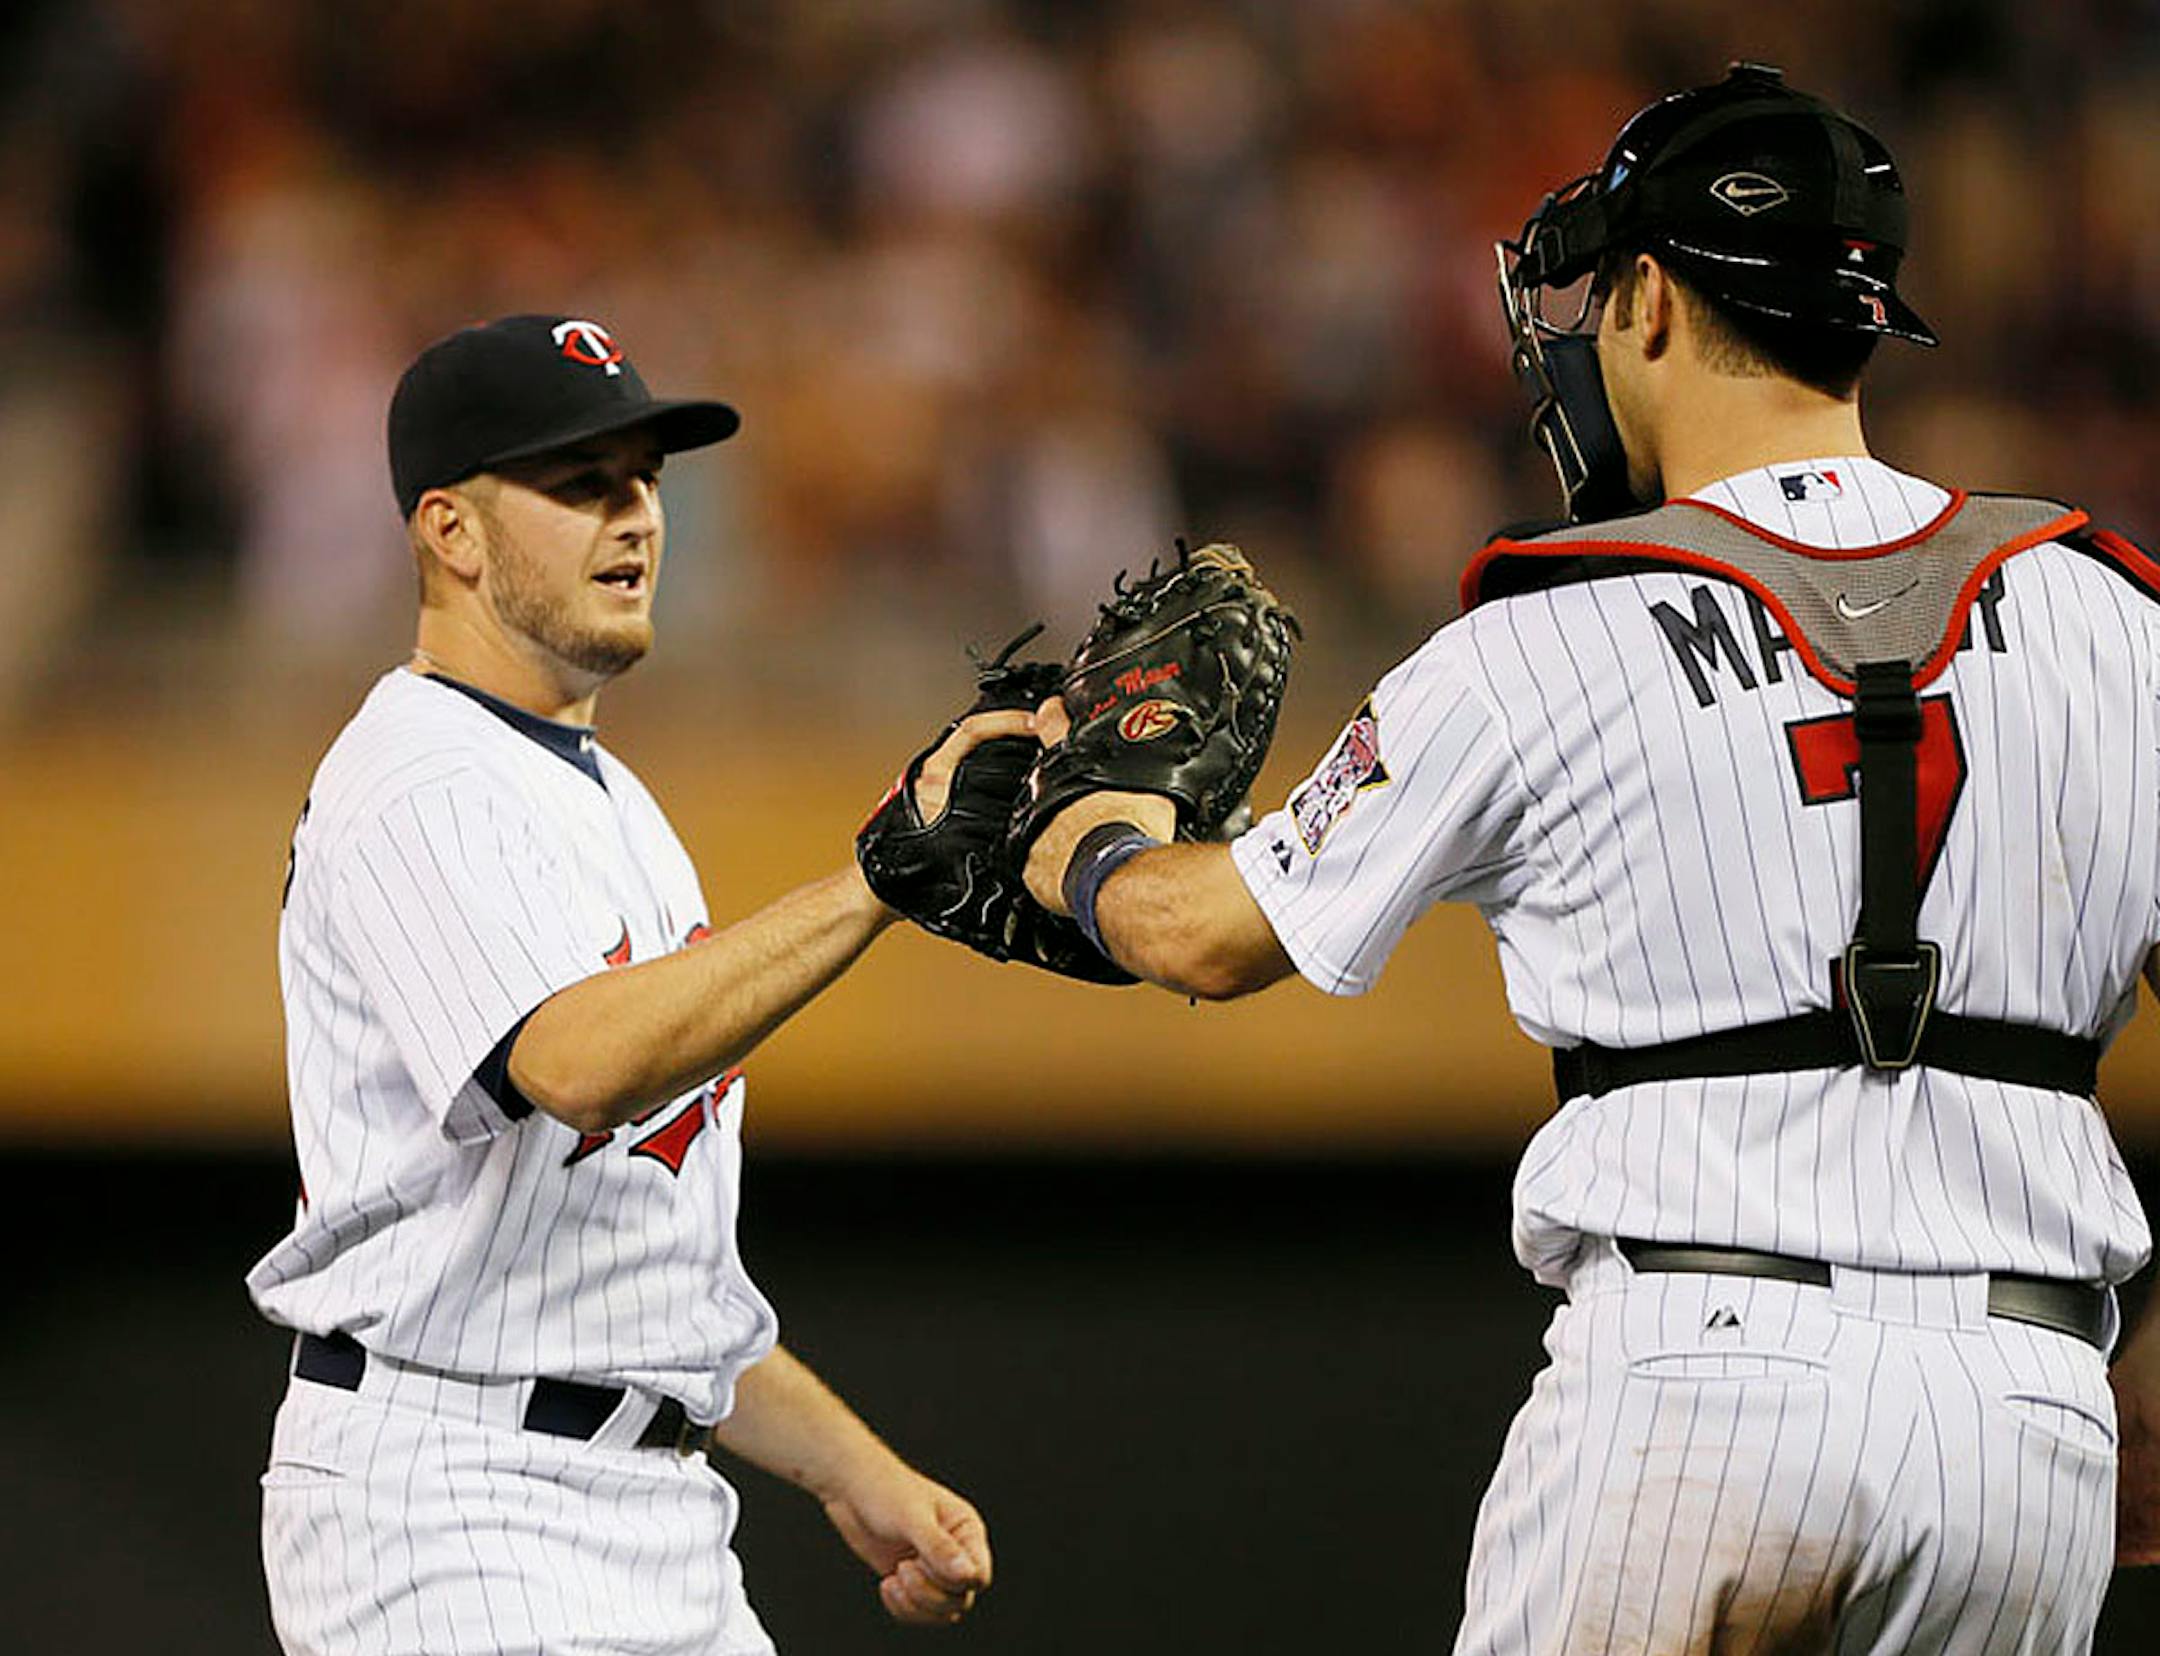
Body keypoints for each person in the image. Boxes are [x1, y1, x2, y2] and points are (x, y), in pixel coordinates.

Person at [1011, 66, 2159, 1651]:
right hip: (2032, 1409)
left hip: (1695, 1372)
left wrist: (1075, 834)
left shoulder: (1548, 632)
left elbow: (1205, 936)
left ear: (1647, 300)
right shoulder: (2119, 616)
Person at [246, 314, 995, 1656]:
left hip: (649, 1507)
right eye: (579, 483)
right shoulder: (416, 777)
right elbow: (576, 1063)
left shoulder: (614, 802)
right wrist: (881, 878)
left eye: (644, 477)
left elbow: (629, 1272)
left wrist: (848, 1468)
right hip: (449, 1499)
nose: (635, 515)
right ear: (451, 533)